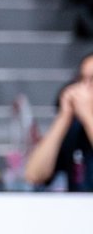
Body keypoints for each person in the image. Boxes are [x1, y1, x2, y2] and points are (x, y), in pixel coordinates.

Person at [25, 51, 93, 191]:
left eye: (92, 80)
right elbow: (34, 175)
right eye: (82, 80)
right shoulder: (75, 129)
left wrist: (87, 115)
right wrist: (63, 117)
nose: (83, 89)